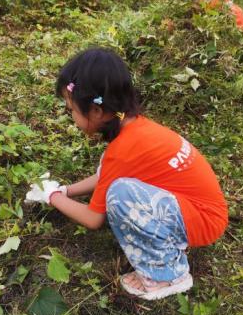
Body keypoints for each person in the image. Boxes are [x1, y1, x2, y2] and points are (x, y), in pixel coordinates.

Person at [25, 48, 228, 300]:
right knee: (116, 183)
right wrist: (64, 191)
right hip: (199, 210)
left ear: (96, 111)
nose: (72, 117)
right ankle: (171, 240)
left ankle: (168, 276)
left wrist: (52, 197)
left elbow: (93, 219)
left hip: (202, 220)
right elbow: (106, 174)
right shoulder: (135, 128)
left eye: (72, 110)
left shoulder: (123, 149)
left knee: (120, 196)